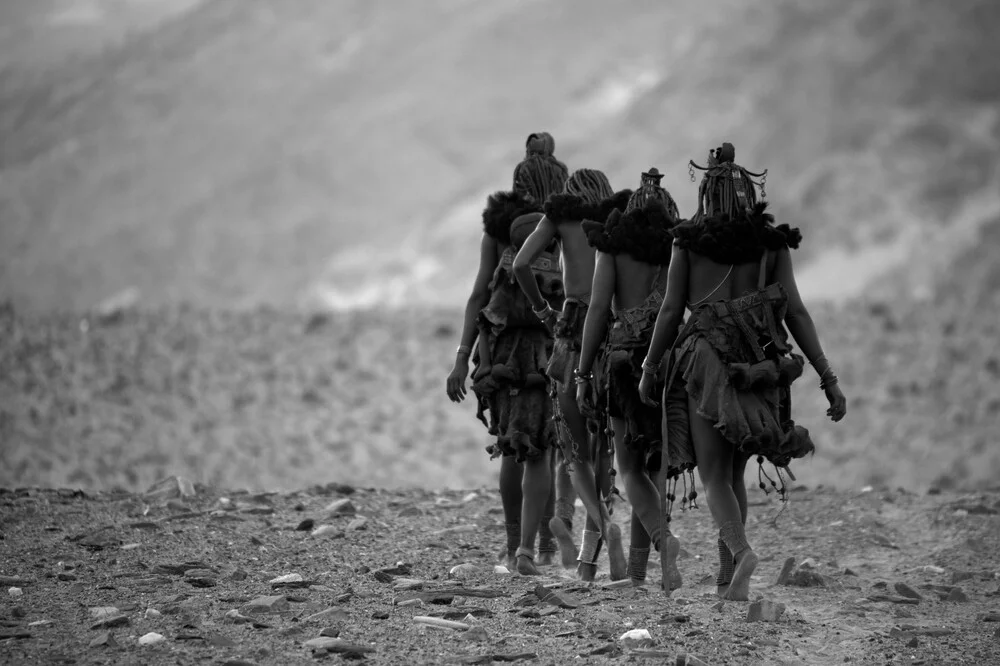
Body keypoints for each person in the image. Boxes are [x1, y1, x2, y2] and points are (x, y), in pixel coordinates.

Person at [638, 143, 848, 601]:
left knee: (714, 475)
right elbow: (796, 312)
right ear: (749, 193)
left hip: (707, 361)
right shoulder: (771, 245)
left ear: (707, 191)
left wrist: (651, 366)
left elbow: (672, 310)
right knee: (734, 474)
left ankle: (740, 549)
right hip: (759, 366)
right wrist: (827, 378)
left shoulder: (687, 241)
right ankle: (726, 580)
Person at [446, 133, 573, 575]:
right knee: (543, 451)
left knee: (512, 446)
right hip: (547, 349)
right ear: (561, 183)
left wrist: (463, 357)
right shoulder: (562, 230)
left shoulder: (499, 232)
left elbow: (478, 295)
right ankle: (537, 550)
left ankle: (512, 544)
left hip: (499, 354)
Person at [513, 168, 632, 581]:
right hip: (612, 333)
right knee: (606, 449)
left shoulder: (559, 218)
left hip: (571, 330)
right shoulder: (615, 218)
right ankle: (587, 563)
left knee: (573, 450)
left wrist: (542, 310)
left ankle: (599, 527)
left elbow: (522, 263)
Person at [574, 167, 685, 591]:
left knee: (629, 466)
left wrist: (583, 372)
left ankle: (663, 541)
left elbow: (599, 310)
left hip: (623, 366)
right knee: (655, 466)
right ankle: (638, 573)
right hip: (669, 362)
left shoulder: (613, 249)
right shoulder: (678, 248)